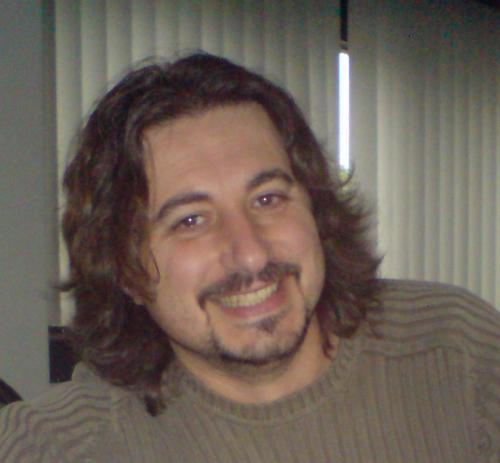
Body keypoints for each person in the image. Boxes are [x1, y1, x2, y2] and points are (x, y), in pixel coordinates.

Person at [0, 52, 499, 462]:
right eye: (190, 221)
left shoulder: (458, 355)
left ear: (315, 209)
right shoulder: (61, 446)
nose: (251, 253)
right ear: (125, 270)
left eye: (268, 199)